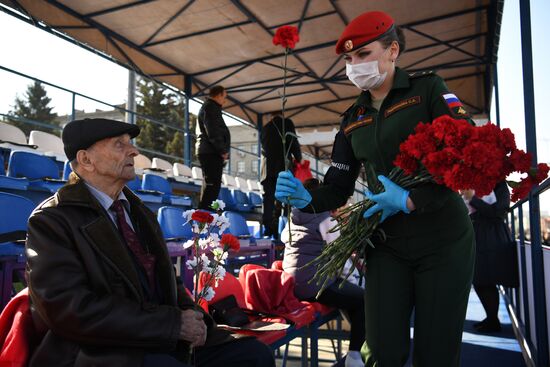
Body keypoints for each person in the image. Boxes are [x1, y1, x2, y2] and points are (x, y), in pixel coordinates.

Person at [275, 11, 475, 367]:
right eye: (350, 59)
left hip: (442, 239)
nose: (354, 66)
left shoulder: (428, 89)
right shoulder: (352, 119)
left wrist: (413, 199)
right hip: (387, 244)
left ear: (393, 50)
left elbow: (461, 149)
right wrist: (306, 196)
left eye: (363, 55)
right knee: (382, 351)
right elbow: (337, 187)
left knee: (436, 352)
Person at [25, 118, 274, 367]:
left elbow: (167, 279)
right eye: (119, 144)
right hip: (100, 350)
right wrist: (172, 325)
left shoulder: (138, 211)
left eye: (130, 143)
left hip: (157, 337)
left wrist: (196, 320)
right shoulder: (52, 220)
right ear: (86, 159)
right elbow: (70, 310)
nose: (134, 151)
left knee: (253, 355)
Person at [281, 178, 365, 367]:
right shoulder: (325, 219)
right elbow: (340, 258)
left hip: (292, 284)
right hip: (314, 285)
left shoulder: (292, 216)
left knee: (349, 296)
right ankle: (354, 355)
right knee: (362, 300)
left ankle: (360, 341)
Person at [462, 182, 516, 333]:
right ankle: (491, 318)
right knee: (479, 279)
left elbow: (498, 211)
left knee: (486, 279)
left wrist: (473, 199)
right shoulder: (476, 182)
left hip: (491, 236)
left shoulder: (500, 185)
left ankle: (493, 320)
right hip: (478, 233)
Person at [260, 111, 302, 239]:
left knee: (268, 199)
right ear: (282, 115)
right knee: (286, 198)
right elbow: (293, 141)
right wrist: (299, 157)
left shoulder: (266, 127)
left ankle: (268, 229)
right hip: (283, 167)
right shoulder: (287, 123)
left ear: (271, 117)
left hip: (267, 169)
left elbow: (263, 148)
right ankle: (286, 228)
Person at [196, 85, 230, 210]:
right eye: (224, 97)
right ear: (219, 95)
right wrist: (222, 150)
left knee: (211, 187)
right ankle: (204, 218)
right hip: (211, 152)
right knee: (211, 187)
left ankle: (205, 217)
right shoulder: (210, 107)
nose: (224, 100)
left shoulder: (210, 107)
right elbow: (213, 131)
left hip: (209, 151)